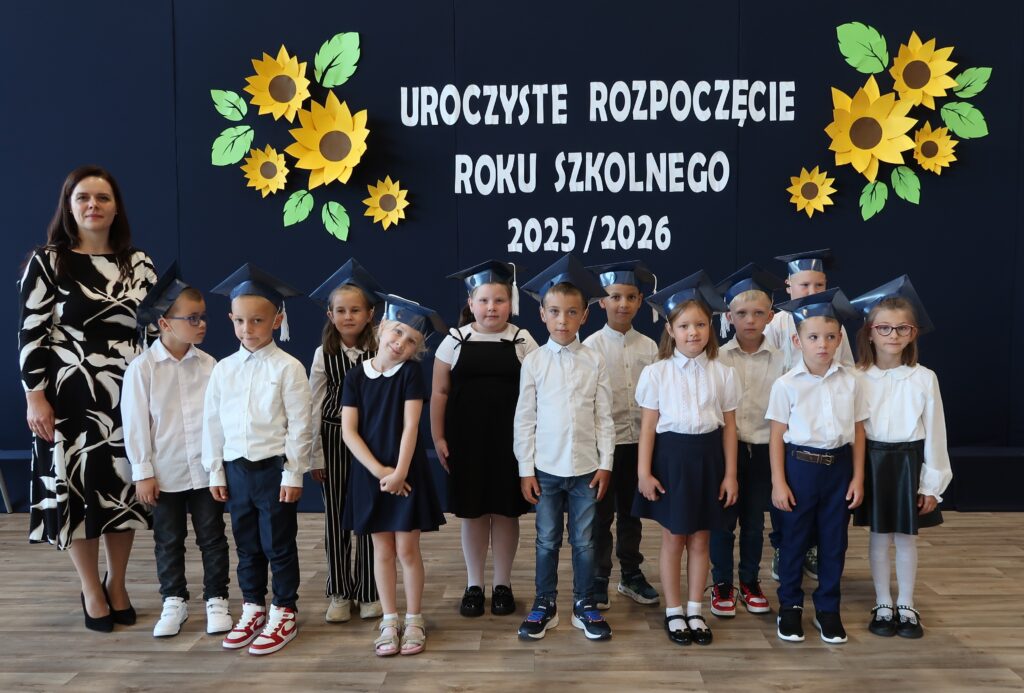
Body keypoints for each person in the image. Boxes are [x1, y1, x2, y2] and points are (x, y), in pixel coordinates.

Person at [20, 165, 156, 632]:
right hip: (69, 395)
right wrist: (35, 396)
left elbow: (155, 329)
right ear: (69, 206)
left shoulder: (139, 263)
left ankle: (117, 583)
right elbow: (30, 332)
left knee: (121, 489)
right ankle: (91, 588)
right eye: (83, 198)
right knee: (78, 492)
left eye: (102, 198)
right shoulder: (48, 262)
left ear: (116, 208)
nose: (93, 205)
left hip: (127, 395)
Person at [203, 264, 313, 656]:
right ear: (230, 319)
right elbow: (212, 421)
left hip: (273, 469)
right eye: (240, 320)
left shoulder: (288, 368)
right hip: (236, 470)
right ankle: (253, 605)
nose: (247, 328)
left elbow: (301, 424)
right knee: (246, 544)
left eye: (257, 320)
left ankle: (284, 610)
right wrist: (215, 469)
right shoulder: (224, 369)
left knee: (278, 543)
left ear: (277, 320)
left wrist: (294, 472)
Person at [122, 263, 231, 638]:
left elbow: (218, 421)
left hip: (204, 471)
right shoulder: (143, 369)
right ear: (165, 324)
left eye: (203, 317)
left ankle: (217, 598)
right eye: (192, 318)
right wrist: (143, 472)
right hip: (165, 473)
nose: (201, 324)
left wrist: (218, 468)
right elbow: (136, 424)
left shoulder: (210, 365)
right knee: (168, 540)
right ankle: (174, 599)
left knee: (212, 537)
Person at [633, 271, 739, 646]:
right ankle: (674, 610)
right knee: (674, 537)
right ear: (670, 329)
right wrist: (644, 472)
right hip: (671, 461)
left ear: (710, 327)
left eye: (700, 324)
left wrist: (730, 474)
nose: (693, 332)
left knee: (701, 539)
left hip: (709, 460)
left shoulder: (723, 374)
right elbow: (648, 428)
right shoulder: (656, 373)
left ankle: (695, 608)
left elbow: (729, 428)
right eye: (684, 326)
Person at [514, 254, 615, 642]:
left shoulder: (595, 361)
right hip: (546, 471)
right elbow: (525, 419)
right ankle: (545, 603)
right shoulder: (534, 362)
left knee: (585, 541)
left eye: (571, 312)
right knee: (546, 540)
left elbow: (604, 417)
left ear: (584, 316)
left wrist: (606, 464)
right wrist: (526, 469)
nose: (562, 320)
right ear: (542, 314)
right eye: (554, 312)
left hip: (586, 469)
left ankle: (584, 604)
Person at [341, 295, 447, 657]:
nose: (401, 343)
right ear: (381, 328)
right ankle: (389, 619)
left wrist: (400, 472)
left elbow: (411, 426)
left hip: (407, 473)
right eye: (397, 332)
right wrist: (379, 471)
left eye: (411, 340)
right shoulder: (356, 377)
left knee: (407, 548)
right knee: (382, 549)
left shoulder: (411, 374)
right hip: (370, 474)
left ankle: (414, 618)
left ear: (417, 349)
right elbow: (349, 432)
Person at [431, 260, 538, 618]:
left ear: (511, 303)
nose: (492, 307)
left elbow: (538, 394)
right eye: (484, 301)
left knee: (507, 513)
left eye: (499, 300)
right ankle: (474, 584)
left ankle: (502, 584)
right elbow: (440, 392)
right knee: (474, 513)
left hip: (511, 444)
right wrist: (438, 436)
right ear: (471, 303)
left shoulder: (523, 340)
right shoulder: (455, 340)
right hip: (467, 442)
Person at [851, 276, 951, 639]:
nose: (893, 335)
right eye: (884, 328)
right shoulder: (857, 377)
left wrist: (932, 484)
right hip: (873, 462)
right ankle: (883, 602)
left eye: (902, 328)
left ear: (913, 333)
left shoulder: (924, 378)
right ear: (870, 333)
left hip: (909, 463)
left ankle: (906, 603)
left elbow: (935, 432)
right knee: (880, 536)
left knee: (907, 537)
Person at [767, 288, 867, 645]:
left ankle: (828, 609)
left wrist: (858, 477)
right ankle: (790, 606)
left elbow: (858, 431)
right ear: (797, 341)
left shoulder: (851, 381)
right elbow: (777, 436)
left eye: (829, 337)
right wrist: (779, 482)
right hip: (800, 469)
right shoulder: (786, 385)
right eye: (813, 337)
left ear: (839, 339)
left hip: (839, 469)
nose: (822, 344)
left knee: (833, 542)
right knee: (793, 541)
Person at [762, 248, 854, 582]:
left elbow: (847, 370)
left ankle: (812, 549)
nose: (812, 291)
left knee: (821, 504)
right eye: (804, 285)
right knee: (787, 497)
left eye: (819, 285)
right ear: (788, 286)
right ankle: (782, 547)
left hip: (821, 422)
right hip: (785, 418)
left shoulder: (832, 326)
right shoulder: (777, 324)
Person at [308, 259, 385, 624]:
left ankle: (369, 591)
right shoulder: (324, 353)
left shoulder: (381, 349)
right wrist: (315, 456)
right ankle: (340, 591)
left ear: (370, 314)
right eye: (341, 310)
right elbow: (313, 404)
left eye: (355, 310)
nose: (348, 316)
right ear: (330, 314)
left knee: (369, 515)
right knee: (336, 519)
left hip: (371, 443)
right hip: (334, 441)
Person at [708, 264, 787, 619]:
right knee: (723, 522)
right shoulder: (718, 358)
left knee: (754, 523)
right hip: (728, 450)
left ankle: (750, 581)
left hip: (765, 450)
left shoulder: (782, 361)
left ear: (770, 316)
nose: (750, 320)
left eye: (758, 313)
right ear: (729, 317)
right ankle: (722, 582)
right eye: (741, 313)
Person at [583, 261, 660, 610]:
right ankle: (599, 575)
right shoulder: (590, 347)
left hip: (637, 445)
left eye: (630, 297)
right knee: (600, 516)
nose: (623, 304)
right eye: (615, 297)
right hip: (602, 448)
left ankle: (630, 573)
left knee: (631, 514)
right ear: (602, 301)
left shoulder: (650, 348)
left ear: (640, 300)